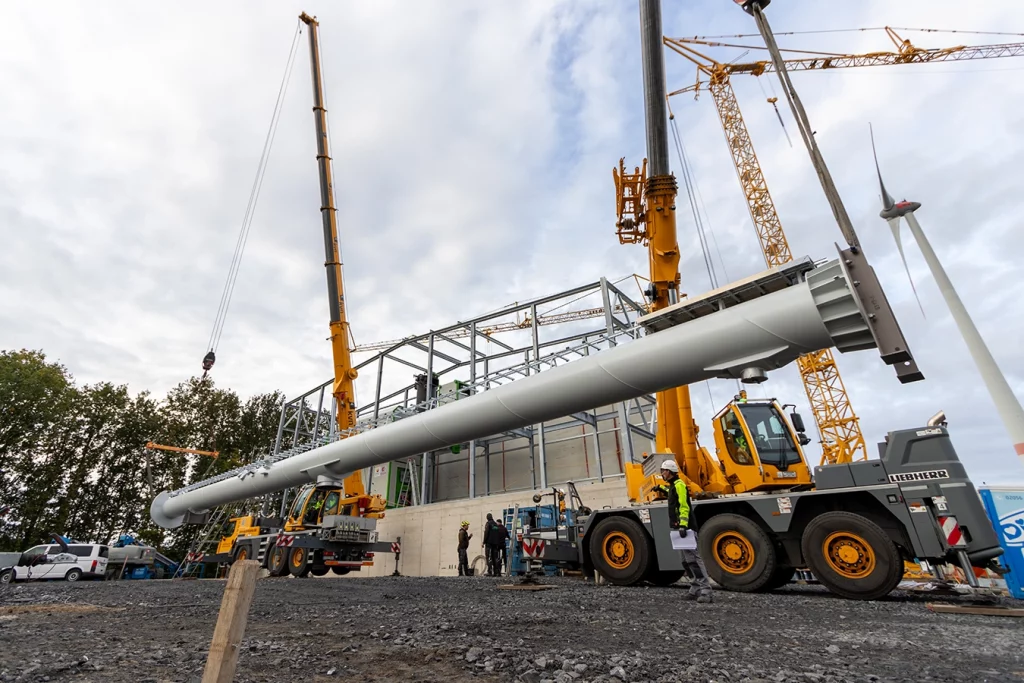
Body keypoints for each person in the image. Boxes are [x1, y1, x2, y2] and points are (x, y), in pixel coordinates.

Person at [660, 459, 713, 603]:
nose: (661, 473)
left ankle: (706, 591)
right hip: (679, 528)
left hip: (686, 527)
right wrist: (661, 489)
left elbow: (684, 506)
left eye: (663, 471)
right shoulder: (673, 486)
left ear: (669, 472)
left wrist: (684, 525)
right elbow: (673, 495)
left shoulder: (680, 485)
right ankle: (695, 588)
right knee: (685, 561)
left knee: (694, 559)